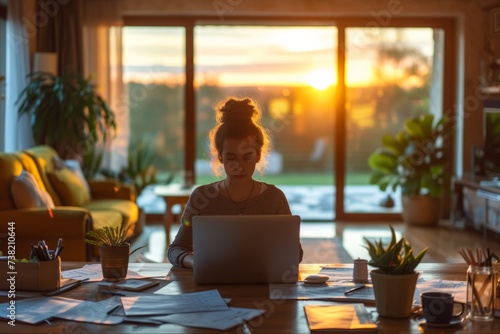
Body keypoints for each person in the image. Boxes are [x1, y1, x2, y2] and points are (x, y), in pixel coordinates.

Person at [167, 97, 303, 268]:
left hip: (263, 285)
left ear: (258, 156)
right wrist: (195, 262)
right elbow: (176, 250)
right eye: (231, 158)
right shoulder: (201, 198)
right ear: (220, 157)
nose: (239, 166)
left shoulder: (275, 198)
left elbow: (295, 253)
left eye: (247, 158)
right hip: (213, 283)